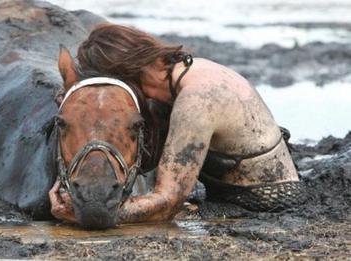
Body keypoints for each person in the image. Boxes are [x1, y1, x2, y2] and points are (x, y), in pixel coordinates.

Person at [50, 24, 305, 224]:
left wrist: (90, 212)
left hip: (261, 203)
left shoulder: (196, 101)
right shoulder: (189, 72)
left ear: (126, 72)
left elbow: (168, 202)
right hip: (239, 192)